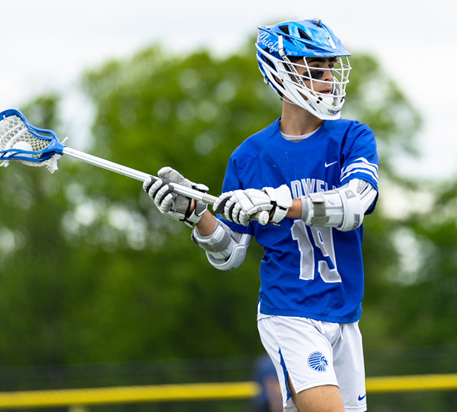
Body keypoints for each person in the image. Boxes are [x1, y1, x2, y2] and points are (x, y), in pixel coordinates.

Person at [143, 19, 378, 412]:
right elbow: (230, 252)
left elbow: (357, 203)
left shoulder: (352, 138)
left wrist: (282, 204)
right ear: (282, 75)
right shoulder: (249, 157)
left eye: (331, 68)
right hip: (289, 312)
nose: (328, 79)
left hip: (344, 313)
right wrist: (195, 213)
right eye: (316, 69)